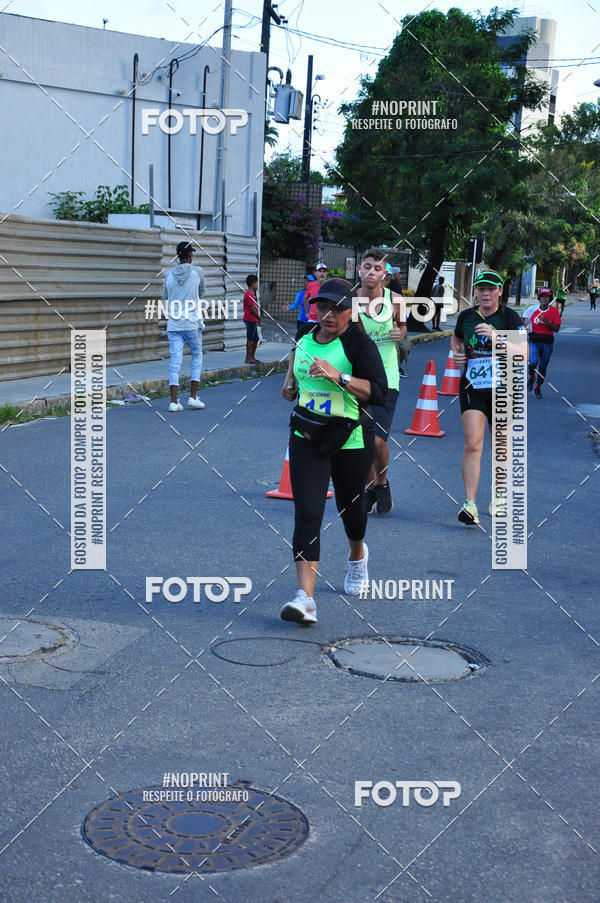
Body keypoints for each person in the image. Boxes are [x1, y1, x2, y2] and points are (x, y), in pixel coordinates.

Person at [280, 278, 387, 623]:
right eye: (323, 306)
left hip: (350, 438)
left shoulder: (358, 344)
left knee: (349, 510)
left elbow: (378, 392)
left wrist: (338, 376)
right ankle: (305, 598)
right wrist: (290, 380)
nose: (329, 314)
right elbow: (298, 355)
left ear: (350, 311)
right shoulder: (305, 335)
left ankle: (357, 555)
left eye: (338, 308)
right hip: (308, 434)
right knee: (307, 511)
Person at [451, 269, 527, 525]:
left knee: (501, 445)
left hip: (504, 388)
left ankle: (499, 496)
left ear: (499, 291)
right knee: (473, 443)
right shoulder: (466, 317)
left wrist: (498, 339)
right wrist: (458, 354)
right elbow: (457, 339)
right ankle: (470, 504)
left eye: (490, 289)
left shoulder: (510, 317)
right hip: (474, 385)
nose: (485, 293)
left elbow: (524, 353)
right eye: (480, 289)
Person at [356, 247, 407, 516]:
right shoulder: (350, 301)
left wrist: (400, 333)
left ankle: (382, 483)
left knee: (376, 440)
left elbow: (403, 326)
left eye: (377, 268)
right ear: (359, 270)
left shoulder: (395, 299)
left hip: (387, 378)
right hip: (357, 380)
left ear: (384, 273)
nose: (371, 271)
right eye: (367, 266)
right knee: (360, 441)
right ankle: (368, 489)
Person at [163, 240, 205, 412]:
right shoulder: (198, 272)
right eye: (192, 253)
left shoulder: (168, 275)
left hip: (174, 325)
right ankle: (193, 398)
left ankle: (174, 402)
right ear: (189, 256)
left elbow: (165, 298)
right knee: (196, 356)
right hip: (191, 324)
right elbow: (201, 293)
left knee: (175, 362)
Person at [527, 290, 561, 398]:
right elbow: (523, 320)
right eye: (543, 296)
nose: (545, 299)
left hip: (547, 342)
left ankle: (538, 387)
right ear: (539, 298)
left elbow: (557, 329)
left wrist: (546, 321)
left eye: (547, 297)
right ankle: (531, 376)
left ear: (550, 299)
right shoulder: (532, 309)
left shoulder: (554, 311)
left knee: (542, 366)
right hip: (534, 341)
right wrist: (524, 326)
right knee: (533, 362)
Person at [289, 274, 315, 340]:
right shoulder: (301, 293)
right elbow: (295, 305)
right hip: (301, 321)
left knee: (310, 340)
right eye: (306, 280)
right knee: (299, 340)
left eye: (309, 281)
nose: (307, 282)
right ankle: (296, 350)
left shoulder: (317, 293)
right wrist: (289, 307)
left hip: (312, 321)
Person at [304, 262, 329, 330]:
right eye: (320, 271)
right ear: (315, 273)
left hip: (326, 320)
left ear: (326, 274)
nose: (322, 273)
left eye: (324, 271)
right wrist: (307, 312)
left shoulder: (330, 285)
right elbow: (305, 299)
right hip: (313, 319)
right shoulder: (310, 285)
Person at [243, 274, 261, 363]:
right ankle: (248, 358)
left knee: (256, 339)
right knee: (250, 339)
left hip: (252, 319)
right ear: (253, 283)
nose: (257, 285)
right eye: (257, 283)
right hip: (250, 319)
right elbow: (252, 309)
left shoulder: (251, 294)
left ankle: (252, 357)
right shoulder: (249, 294)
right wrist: (259, 318)